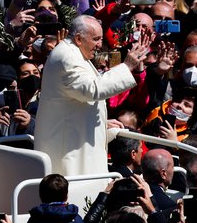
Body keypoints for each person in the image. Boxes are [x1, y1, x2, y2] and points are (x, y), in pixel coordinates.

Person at [35, 15, 148, 176]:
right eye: (96, 39)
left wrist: (103, 123)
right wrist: (127, 66)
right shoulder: (66, 57)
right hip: (68, 148)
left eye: (101, 39)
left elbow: (74, 99)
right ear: (79, 38)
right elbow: (92, 89)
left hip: (76, 138)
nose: (100, 44)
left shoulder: (75, 52)